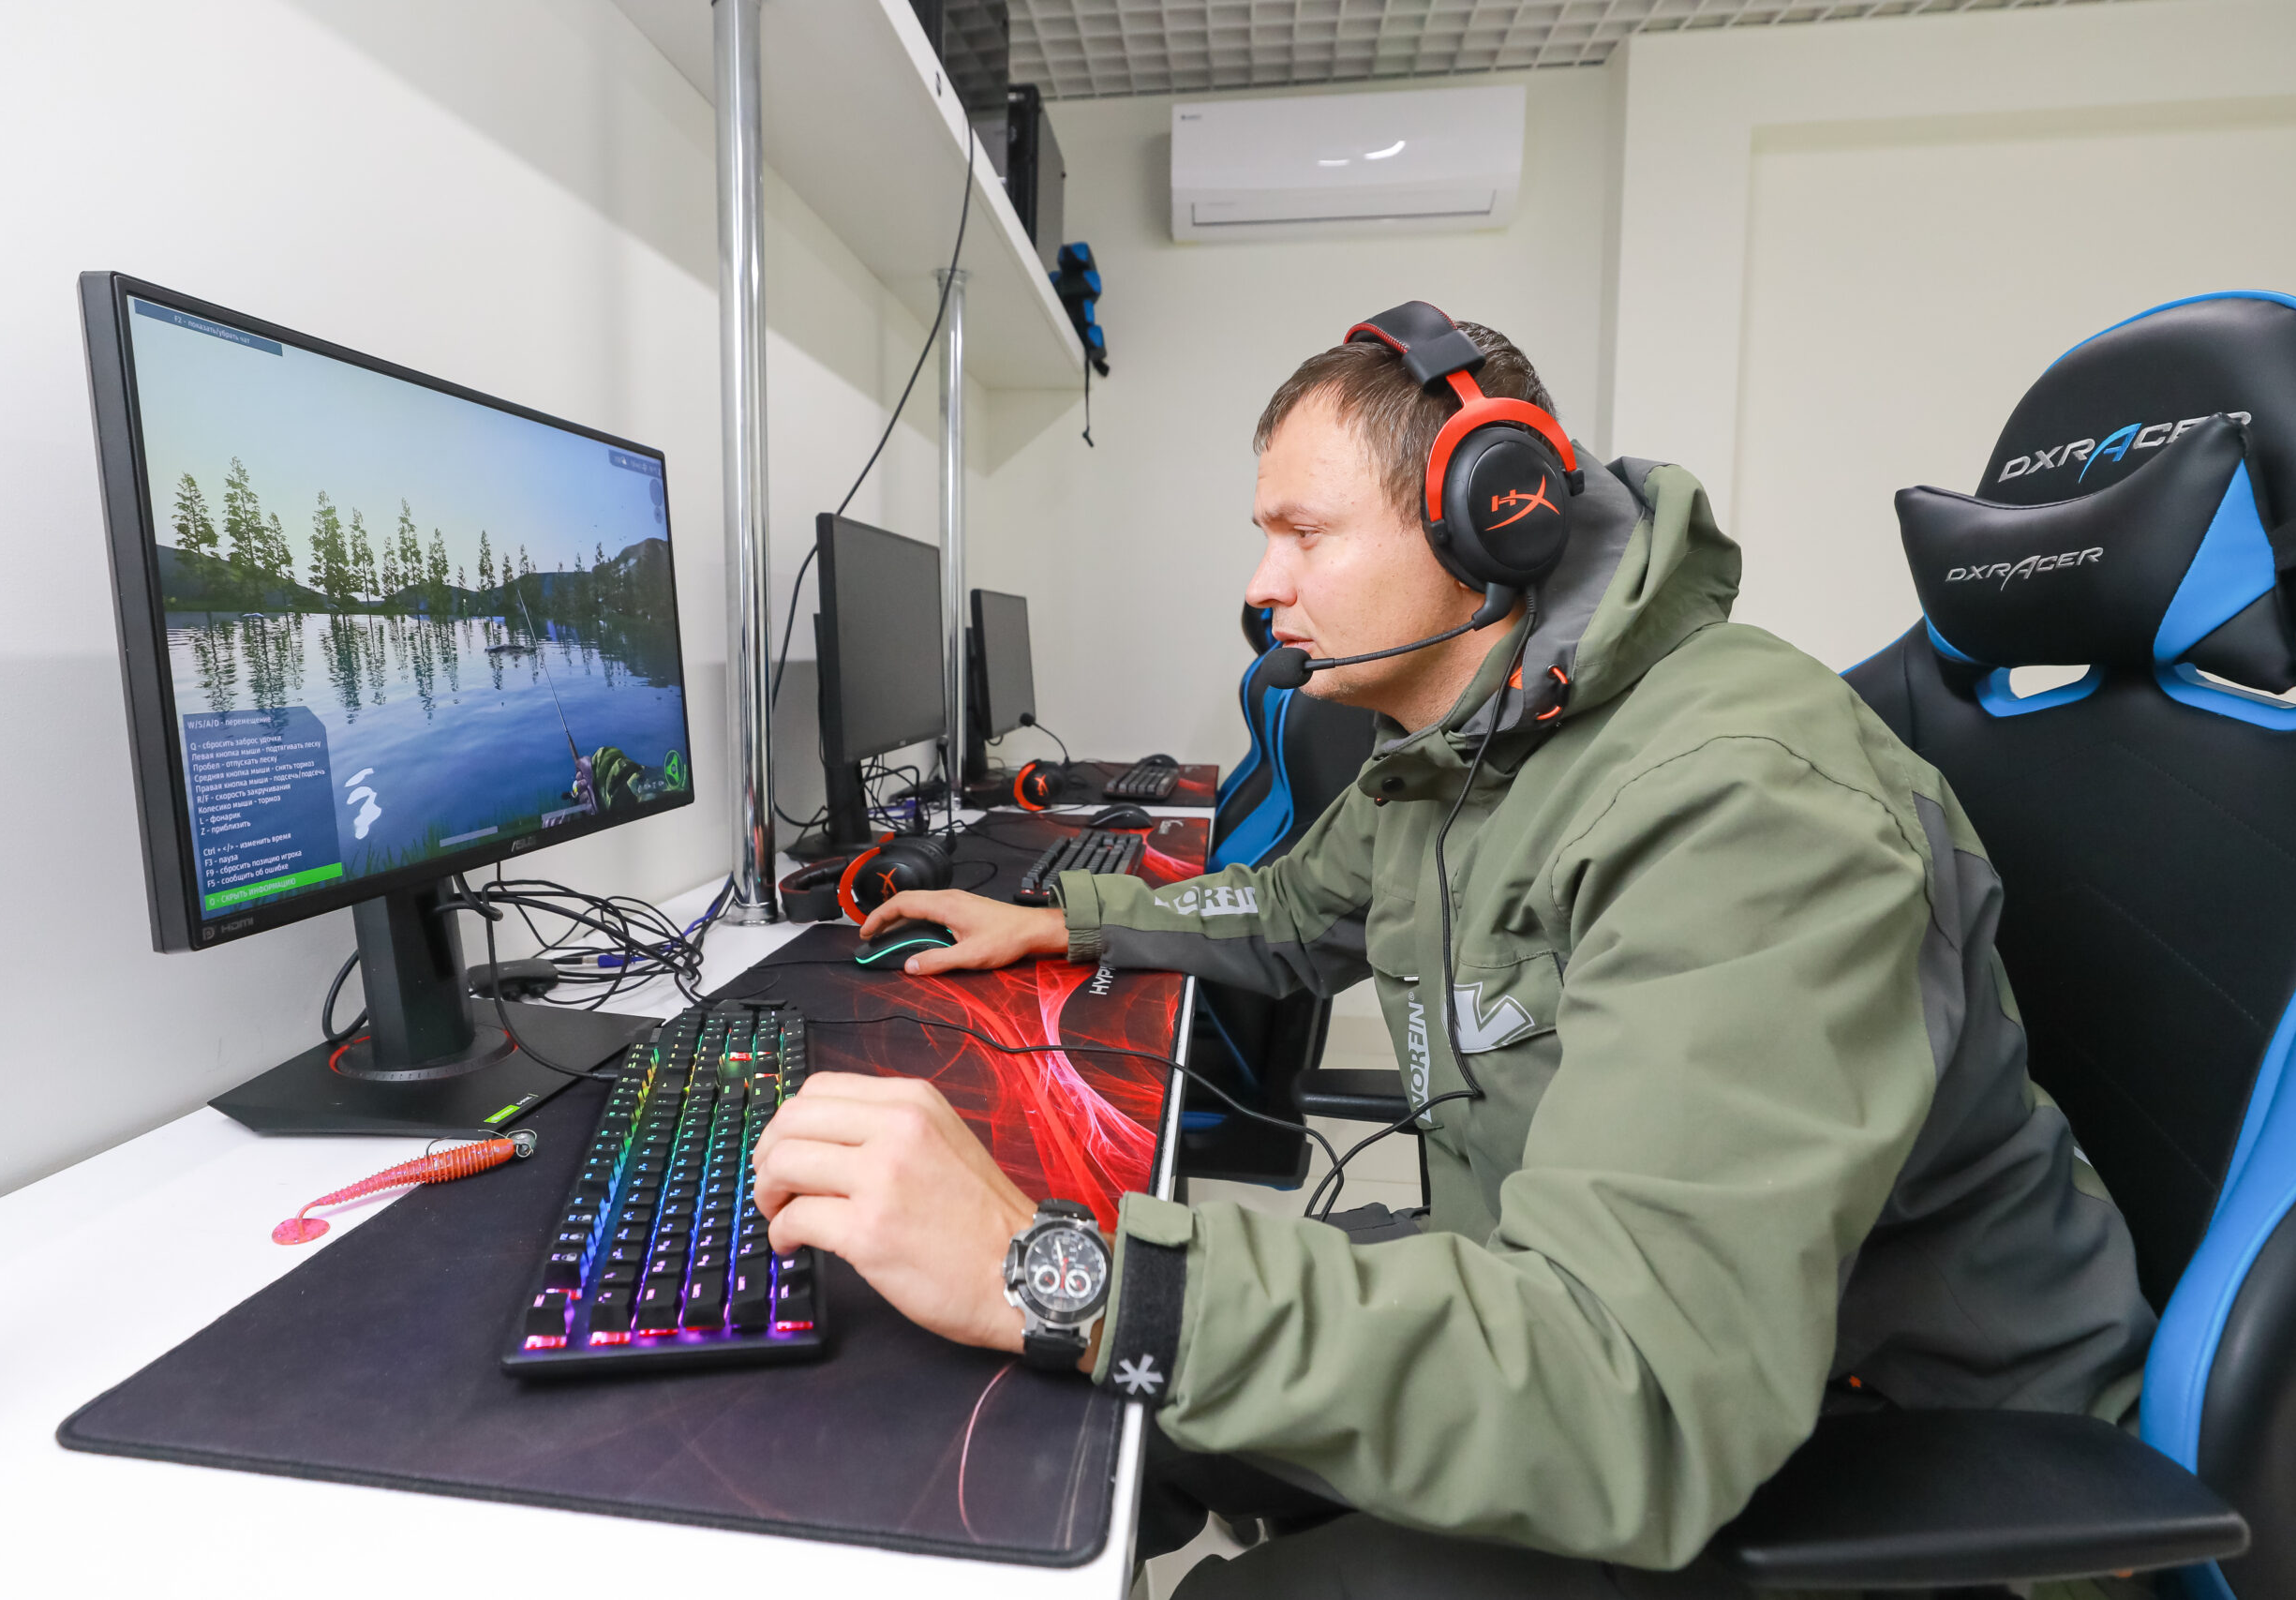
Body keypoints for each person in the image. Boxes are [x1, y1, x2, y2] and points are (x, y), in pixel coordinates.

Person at [752, 307, 2154, 1596]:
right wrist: (1066, 919)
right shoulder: (1463, 752)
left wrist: (1055, 1268)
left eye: (1305, 534)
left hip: (1869, 1444)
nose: (1262, 584)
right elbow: (1293, 911)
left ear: (1492, 521)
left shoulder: (1742, 806)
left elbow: (1640, 1383)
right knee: (1079, 1427)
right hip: (1570, 1304)